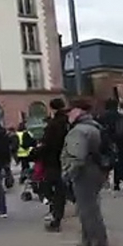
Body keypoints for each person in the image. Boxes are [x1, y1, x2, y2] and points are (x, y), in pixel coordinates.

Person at [61, 99, 109, 246]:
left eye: (70, 111)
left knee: (88, 210)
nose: (68, 114)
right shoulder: (95, 126)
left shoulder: (78, 131)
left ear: (78, 111)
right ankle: (88, 241)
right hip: (97, 169)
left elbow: (77, 156)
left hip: (85, 172)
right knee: (90, 207)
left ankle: (97, 244)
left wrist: (67, 173)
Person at [39, 98, 71, 232]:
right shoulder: (68, 122)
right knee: (60, 189)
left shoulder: (53, 124)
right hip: (66, 159)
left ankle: (56, 216)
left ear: (52, 108)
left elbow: (47, 144)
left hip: (53, 160)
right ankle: (58, 212)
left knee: (48, 186)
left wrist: (37, 152)